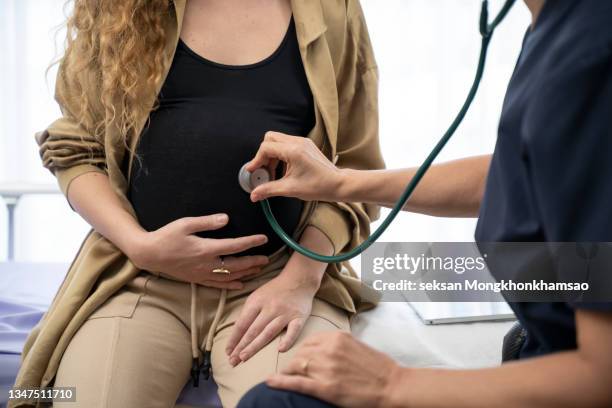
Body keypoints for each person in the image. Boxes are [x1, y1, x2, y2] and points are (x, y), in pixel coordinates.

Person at [10, 1, 385, 407]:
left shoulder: (332, 10)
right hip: (140, 279)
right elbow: (75, 150)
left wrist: (300, 281)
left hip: (275, 280)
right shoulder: (118, 8)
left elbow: (353, 171)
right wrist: (140, 245)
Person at [237, 0, 612, 407]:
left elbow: (602, 375)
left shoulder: (593, 54)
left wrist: (390, 384)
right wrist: (341, 182)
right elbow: (524, 168)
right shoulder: (557, 28)